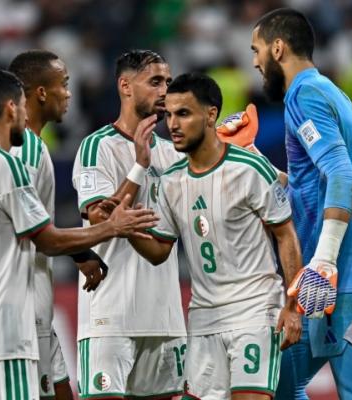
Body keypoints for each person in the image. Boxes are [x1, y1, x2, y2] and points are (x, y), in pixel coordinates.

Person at [0, 69, 158, 400]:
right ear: (11, 108)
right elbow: (46, 239)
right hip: (4, 325)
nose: (25, 115)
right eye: (22, 106)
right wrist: (112, 227)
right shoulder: (5, 164)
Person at [249, 8, 352, 399]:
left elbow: (342, 178)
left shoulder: (304, 95)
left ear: (277, 48)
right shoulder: (325, 91)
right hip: (332, 284)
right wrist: (252, 159)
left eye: (256, 50)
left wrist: (324, 261)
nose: (254, 63)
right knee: (275, 383)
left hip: (348, 278)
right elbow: (308, 185)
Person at [127, 72, 302, 400]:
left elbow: (286, 235)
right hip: (203, 317)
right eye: (169, 115)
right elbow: (159, 251)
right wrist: (126, 230)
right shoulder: (171, 181)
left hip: (254, 309)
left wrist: (293, 306)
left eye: (183, 114)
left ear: (211, 115)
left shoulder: (250, 169)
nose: (173, 125)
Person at [71, 50, 187, 399]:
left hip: (165, 319)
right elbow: (99, 217)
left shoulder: (175, 153)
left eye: (167, 82)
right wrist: (139, 166)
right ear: (125, 86)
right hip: (111, 318)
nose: (164, 91)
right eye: (155, 82)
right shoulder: (97, 147)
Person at [8, 49, 109, 400]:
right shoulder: (26, 149)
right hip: (23, 310)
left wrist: (80, 253)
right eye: (63, 85)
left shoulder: (26, 146)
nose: (68, 94)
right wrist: (112, 228)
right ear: (40, 93)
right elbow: (33, 232)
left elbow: (32, 218)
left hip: (35, 310)